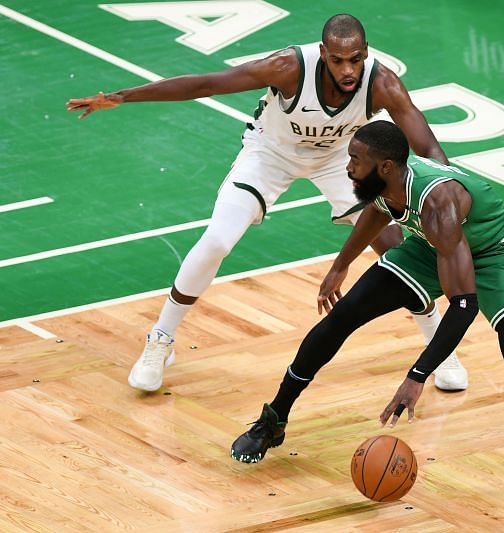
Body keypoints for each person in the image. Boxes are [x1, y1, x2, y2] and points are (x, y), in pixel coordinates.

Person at [230, 120, 504, 512]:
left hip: (492, 252)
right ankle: (274, 420)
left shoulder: (438, 202)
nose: (347, 168)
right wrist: (342, 264)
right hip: (431, 246)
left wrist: (417, 376)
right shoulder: (388, 179)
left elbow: (463, 305)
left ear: (384, 166)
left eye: (354, 161)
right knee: (345, 314)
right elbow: (379, 210)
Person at [66, 14, 468, 393]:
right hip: (270, 152)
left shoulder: (383, 84)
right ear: (323, 53)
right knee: (218, 240)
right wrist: (123, 96)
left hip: (342, 158)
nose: (348, 70)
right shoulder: (288, 68)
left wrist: (450, 194)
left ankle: (439, 346)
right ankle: (161, 339)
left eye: (356, 59)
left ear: (367, 52)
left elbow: (427, 144)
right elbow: (207, 84)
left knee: (395, 246)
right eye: (338, 60)